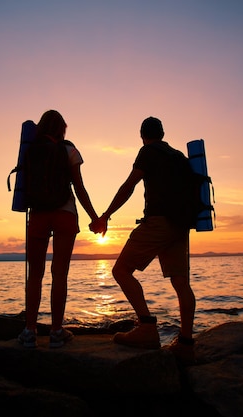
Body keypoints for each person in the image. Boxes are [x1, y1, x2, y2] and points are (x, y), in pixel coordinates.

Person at [90, 116, 196, 363]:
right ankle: (187, 343)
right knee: (181, 283)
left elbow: (129, 186)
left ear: (143, 135)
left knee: (121, 271)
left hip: (158, 222)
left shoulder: (147, 152)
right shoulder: (178, 156)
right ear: (162, 133)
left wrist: (106, 215)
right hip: (181, 226)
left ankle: (147, 328)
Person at [18, 109, 100, 348]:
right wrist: (94, 217)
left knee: (35, 275)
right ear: (62, 128)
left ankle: (29, 331)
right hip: (65, 213)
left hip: (38, 215)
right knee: (59, 274)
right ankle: (56, 332)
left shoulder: (31, 149)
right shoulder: (69, 150)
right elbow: (79, 188)